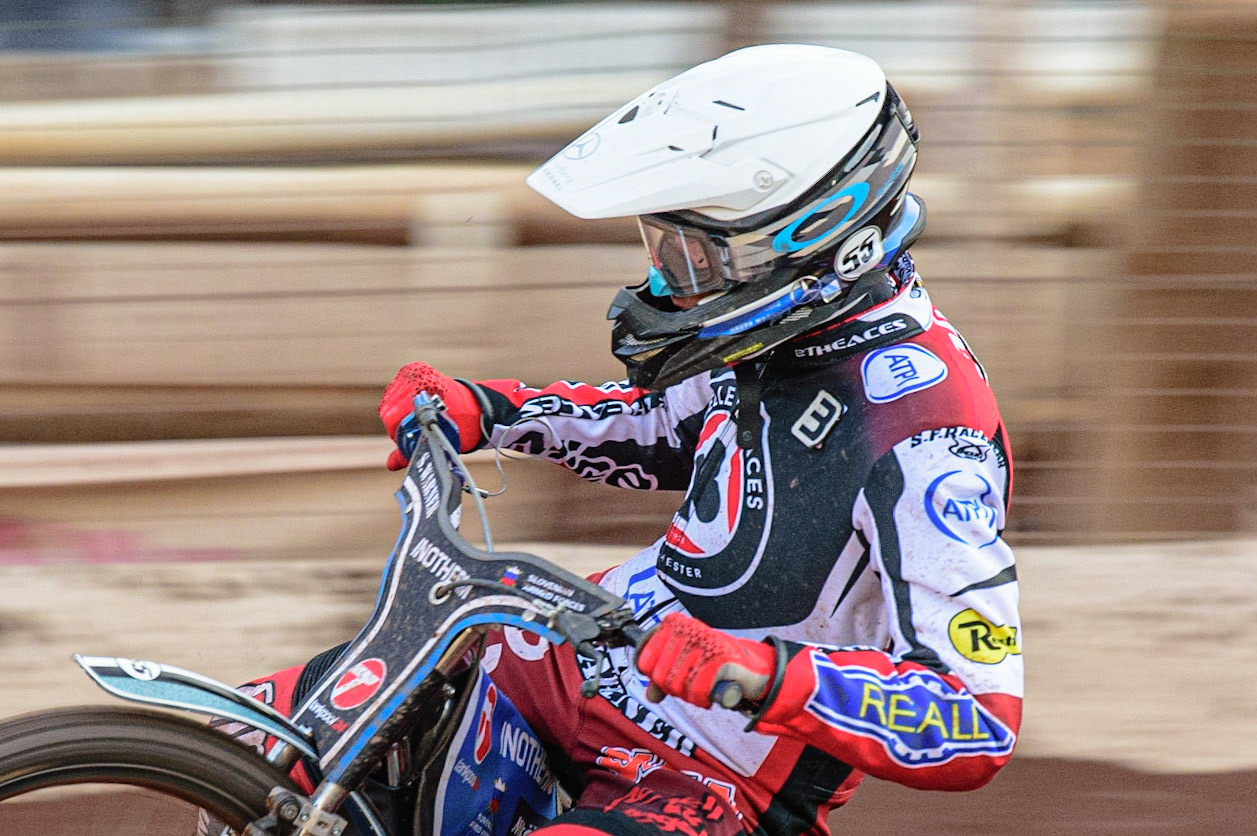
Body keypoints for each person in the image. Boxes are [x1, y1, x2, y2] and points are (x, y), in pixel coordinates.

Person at [221, 44, 1023, 836]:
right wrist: (489, 408)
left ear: (815, 234)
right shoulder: (783, 335)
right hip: (561, 662)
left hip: (707, 775)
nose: (670, 285)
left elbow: (974, 721)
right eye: (661, 249)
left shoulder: (928, 436)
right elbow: (658, 426)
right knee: (264, 736)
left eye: (696, 258)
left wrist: (756, 674)